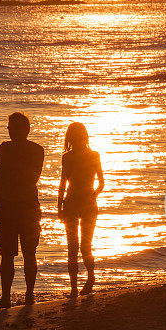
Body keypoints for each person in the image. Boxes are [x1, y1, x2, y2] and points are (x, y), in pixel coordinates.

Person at [0, 112, 44, 308]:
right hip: (6, 208)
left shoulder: (37, 150)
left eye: (15, 128)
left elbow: (31, 179)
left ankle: (29, 295)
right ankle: (6, 297)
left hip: (28, 208)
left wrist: (4, 178)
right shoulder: (4, 148)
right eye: (9, 128)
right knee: (6, 255)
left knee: (30, 253)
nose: (11, 132)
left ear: (26, 129)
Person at [57, 122, 104, 296]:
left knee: (78, 246)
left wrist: (59, 205)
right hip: (79, 204)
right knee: (79, 246)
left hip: (79, 204)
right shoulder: (69, 157)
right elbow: (101, 183)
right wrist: (59, 204)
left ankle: (84, 283)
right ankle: (77, 286)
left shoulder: (77, 156)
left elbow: (101, 183)